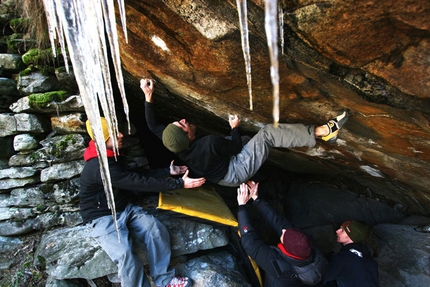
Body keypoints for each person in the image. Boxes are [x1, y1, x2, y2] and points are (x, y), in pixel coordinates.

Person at [141, 78, 350, 187]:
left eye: (179, 122)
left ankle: (275, 150)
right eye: (183, 125)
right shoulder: (209, 143)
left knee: (249, 140)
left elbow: (152, 126)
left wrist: (148, 95)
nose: (184, 120)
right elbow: (235, 146)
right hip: (234, 172)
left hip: (222, 175)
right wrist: (234, 127)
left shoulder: (174, 143)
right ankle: (324, 132)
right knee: (266, 134)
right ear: (188, 136)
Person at [79, 117, 206, 287]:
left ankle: (164, 279)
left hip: (124, 209)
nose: (121, 135)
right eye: (114, 133)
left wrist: (167, 171)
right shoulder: (99, 167)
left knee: (156, 230)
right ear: (102, 139)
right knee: (125, 254)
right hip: (100, 217)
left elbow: (136, 176)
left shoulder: (112, 157)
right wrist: (179, 183)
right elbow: (139, 183)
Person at [237, 181, 328, 286]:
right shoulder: (303, 245)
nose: (284, 230)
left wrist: (242, 205)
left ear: (287, 248)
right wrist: (256, 199)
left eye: (284, 235)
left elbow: (250, 242)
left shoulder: (280, 266)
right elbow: (278, 222)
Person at [322, 220, 380, 287]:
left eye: (343, 230)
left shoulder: (343, 258)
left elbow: (322, 280)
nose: (337, 231)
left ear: (351, 236)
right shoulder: (371, 261)